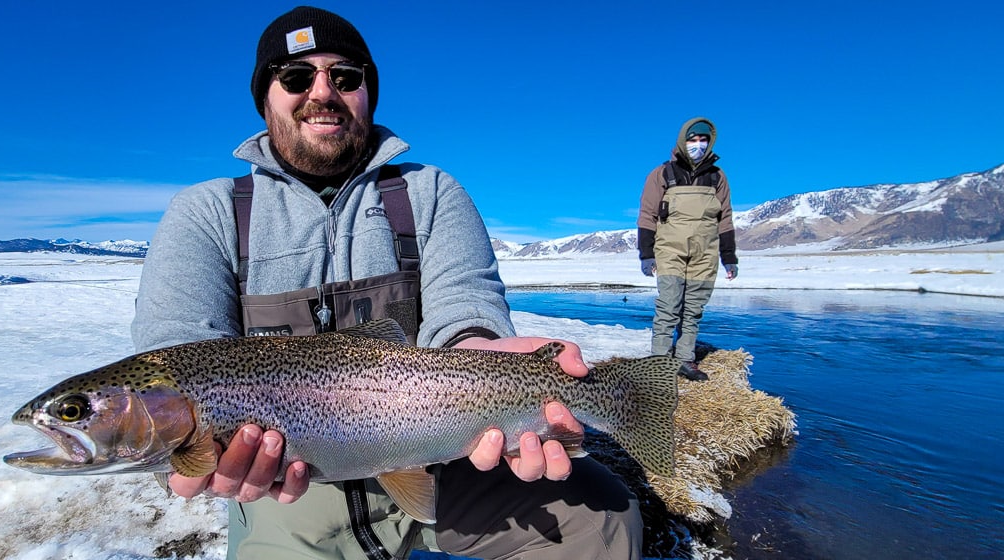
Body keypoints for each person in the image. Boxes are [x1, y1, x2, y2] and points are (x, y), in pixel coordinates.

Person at [132, 6, 644, 560]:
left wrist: (483, 353)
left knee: (603, 520)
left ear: (368, 94)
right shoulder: (205, 212)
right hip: (287, 482)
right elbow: (172, 356)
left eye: (345, 77)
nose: (322, 92)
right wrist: (183, 458)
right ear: (265, 98)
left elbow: (464, 306)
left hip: (446, 449)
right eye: (297, 77)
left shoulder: (429, 192)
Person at [636, 117, 739, 381]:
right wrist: (646, 254)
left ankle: (684, 359)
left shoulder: (717, 177)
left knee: (693, 310)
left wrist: (729, 257)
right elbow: (647, 215)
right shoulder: (662, 174)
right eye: (693, 139)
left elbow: (724, 218)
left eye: (703, 140)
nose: (698, 145)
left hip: (705, 253)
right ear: (683, 140)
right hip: (670, 250)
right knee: (669, 306)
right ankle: (658, 361)